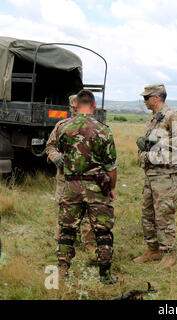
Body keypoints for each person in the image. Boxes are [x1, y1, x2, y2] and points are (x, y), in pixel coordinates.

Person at [55, 89, 118, 284]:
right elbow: (111, 167)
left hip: (71, 185)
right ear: (94, 105)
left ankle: (61, 274)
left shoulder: (63, 128)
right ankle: (105, 277)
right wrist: (111, 189)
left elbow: (61, 152)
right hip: (97, 187)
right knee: (103, 231)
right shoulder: (103, 130)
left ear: (75, 105)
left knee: (67, 230)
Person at [133, 83, 177, 270]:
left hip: (165, 174)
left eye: (146, 98)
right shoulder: (153, 118)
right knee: (147, 214)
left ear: (156, 98)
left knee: (164, 214)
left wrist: (160, 140)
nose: (145, 101)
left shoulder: (172, 115)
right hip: (151, 173)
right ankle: (153, 249)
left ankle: (168, 253)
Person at [46, 95, 97, 259]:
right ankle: (62, 240)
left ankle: (89, 243)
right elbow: (50, 146)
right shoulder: (61, 126)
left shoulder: (95, 127)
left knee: (89, 210)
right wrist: (55, 157)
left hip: (88, 177)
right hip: (66, 177)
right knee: (63, 208)